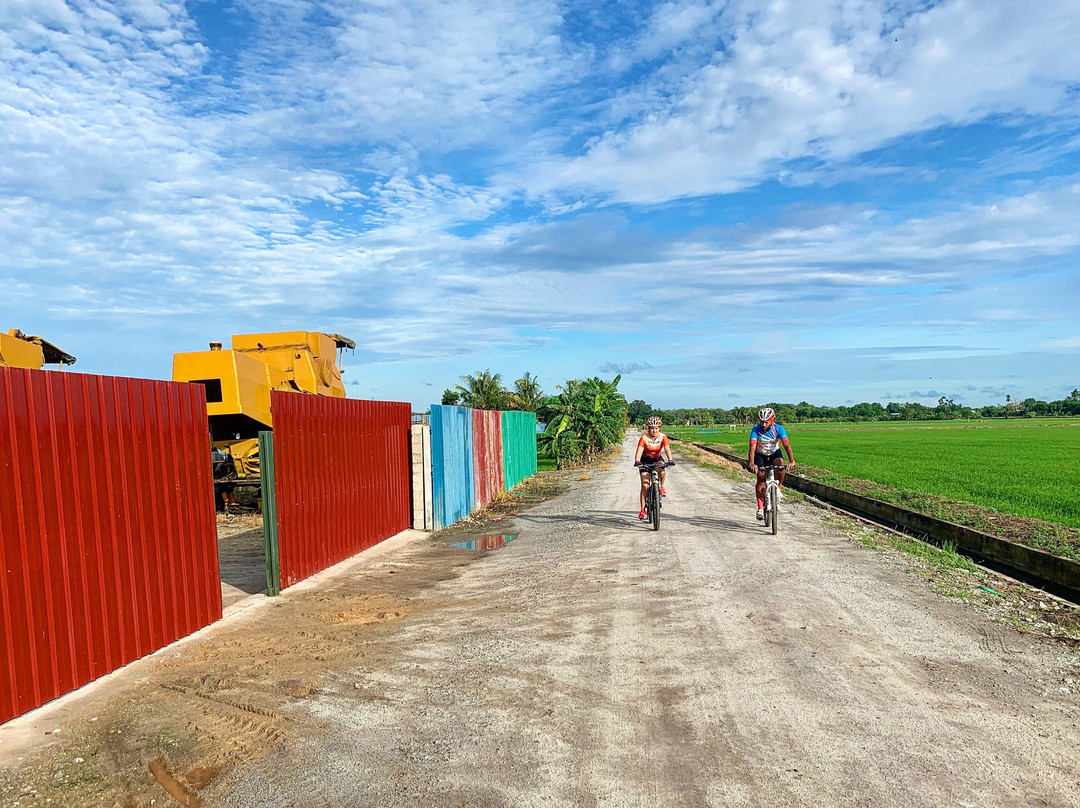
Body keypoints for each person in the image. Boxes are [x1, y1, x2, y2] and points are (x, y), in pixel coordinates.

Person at [748, 407, 795, 520]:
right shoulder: (756, 429)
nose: (764, 424)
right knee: (761, 477)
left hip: (774, 453)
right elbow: (752, 447)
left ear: (772, 420)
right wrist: (752, 463)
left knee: (780, 466)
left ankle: (778, 487)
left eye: (766, 422)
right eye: (762, 422)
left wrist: (792, 461)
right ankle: (760, 508)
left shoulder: (778, 429)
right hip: (760, 454)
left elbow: (786, 445)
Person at [634, 415, 674, 520]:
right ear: (648, 428)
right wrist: (637, 461)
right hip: (645, 460)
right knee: (645, 485)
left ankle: (661, 487)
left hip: (657, 459)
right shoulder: (644, 438)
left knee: (662, 471)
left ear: (659, 429)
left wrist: (670, 459)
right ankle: (642, 510)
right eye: (652, 428)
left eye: (656, 428)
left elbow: (667, 449)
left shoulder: (663, 437)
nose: (654, 431)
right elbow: (639, 451)